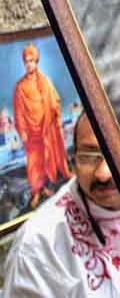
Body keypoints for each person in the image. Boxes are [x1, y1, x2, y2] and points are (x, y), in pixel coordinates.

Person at [2, 113, 120, 297]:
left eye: (116, 155)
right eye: (89, 156)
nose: (103, 174)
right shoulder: (39, 244)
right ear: (73, 161)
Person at [13, 43, 71, 209]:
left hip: (47, 128)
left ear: (36, 61)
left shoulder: (45, 81)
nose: (29, 64)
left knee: (48, 158)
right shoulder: (20, 87)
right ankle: (36, 190)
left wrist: (56, 114)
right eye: (26, 61)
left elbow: (56, 100)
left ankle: (47, 187)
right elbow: (18, 112)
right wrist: (22, 131)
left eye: (32, 60)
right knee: (34, 163)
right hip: (32, 133)